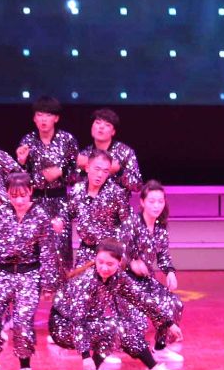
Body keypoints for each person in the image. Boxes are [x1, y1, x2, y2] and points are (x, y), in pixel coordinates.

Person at [49, 238, 187, 370]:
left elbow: (142, 300)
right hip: (63, 325)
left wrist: (168, 323)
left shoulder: (118, 278)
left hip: (85, 323)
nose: (104, 268)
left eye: (110, 264)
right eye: (100, 262)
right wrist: (85, 356)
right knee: (115, 327)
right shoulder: (87, 281)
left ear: (119, 262)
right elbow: (78, 320)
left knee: (124, 327)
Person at [0, 171, 64, 370]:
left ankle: (25, 368)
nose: (19, 201)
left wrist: (48, 285)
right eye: (14, 196)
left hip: (28, 275)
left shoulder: (40, 216)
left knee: (22, 322)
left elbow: (47, 252)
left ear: (31, 191)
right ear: (7, 194)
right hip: (1, 274)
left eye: (23, 195)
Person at [119, 180, 185, 365]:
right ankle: (107, 349)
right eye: (152, 201)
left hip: (146, 280)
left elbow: (163, 255)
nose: (156, 206)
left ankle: (160, 348)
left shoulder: (160, 228)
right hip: (125, 281)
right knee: (137, 321)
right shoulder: (131, 223)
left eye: (160, 201)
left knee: (174, 304)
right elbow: (118, 252)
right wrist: (131, 263)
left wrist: (170, 272)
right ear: (142, 202)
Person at [15, 95, 79, 268]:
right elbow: (20, 177)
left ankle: (64, 282)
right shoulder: (27, 141)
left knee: (61, 248)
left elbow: (77, 173)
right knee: (35, 246)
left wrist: (61, 171)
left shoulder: (67, 140)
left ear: (56, 118)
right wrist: (21, 162)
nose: (43, 119)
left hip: (60, 200)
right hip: (35, 201)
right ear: (34, 118)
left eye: (48, 115)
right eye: (40, 115)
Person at [63, 149, 130, 269]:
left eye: (105, 171)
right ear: (87, 167)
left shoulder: (117, 193)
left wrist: (120, 253)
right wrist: (60, 221)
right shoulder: (77, 190)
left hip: (109, 254)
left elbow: (128, 224)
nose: (100, 175)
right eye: (97, 169)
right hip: (85, 252)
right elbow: (67, 214)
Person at [75, 107, 143, 191]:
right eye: (98, 122)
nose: (101, 127)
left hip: (118, 198)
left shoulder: (126, 152)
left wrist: (119, 171)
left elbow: (137, 186)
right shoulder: (85, 153)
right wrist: (82, 169)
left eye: (107, 125)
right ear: (92, 127)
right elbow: (73, 183)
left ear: (113, 132)